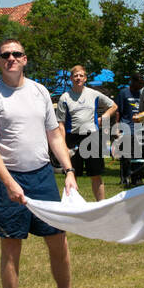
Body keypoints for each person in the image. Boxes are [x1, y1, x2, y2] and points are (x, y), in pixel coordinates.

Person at [0, 38, 99, 288]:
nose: (11, 59)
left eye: (16, 54)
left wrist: (69, 170)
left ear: (25, 59)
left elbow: (54, 135)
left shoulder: (40, 91)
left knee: (59, 240)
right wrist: (8, 183)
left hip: (43, 177)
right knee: (11, 247)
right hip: (7, 180)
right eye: (5, 55)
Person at [58, 66, 117, 201]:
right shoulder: (64, 98)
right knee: (73, 174)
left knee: (96, 174)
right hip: (72, 138)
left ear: (85, 78)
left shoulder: (93, 94)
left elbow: (113, 106)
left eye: (81, 75)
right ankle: (74, 207)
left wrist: (104, 118)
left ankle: (101, 206)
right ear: (71, 78)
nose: (78, 78)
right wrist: (64, 146)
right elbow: (60, 124)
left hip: (92, 137)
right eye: (75, 76)